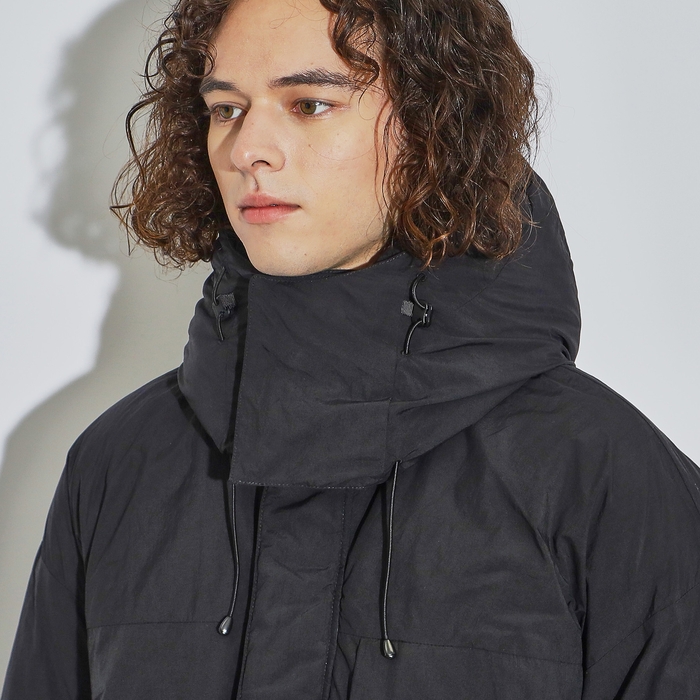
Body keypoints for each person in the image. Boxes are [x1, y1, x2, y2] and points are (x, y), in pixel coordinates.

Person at [3, 0, 700, 697]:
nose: (247, 150)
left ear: (437, 122)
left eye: (309, 104)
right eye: (225, 109)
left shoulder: (603, 479)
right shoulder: (117, 463)